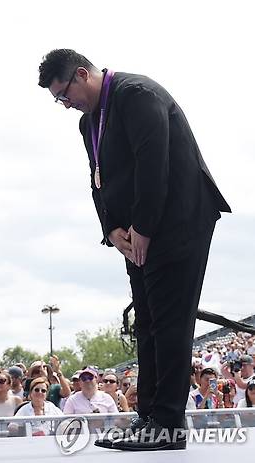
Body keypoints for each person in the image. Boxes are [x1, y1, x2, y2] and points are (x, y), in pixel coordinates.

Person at [39, 48, 230, 452]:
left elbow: (153, 165)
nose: (64, 104)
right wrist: (112, 230)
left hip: (178, 223)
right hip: (138, 232)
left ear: (80, 74)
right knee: (146, 323)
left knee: (170, 322)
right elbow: (98, 181)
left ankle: (168, 424)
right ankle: (149, 417)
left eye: (63, 95)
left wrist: (141, 227)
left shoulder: (136, 94)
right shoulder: (88, 123)